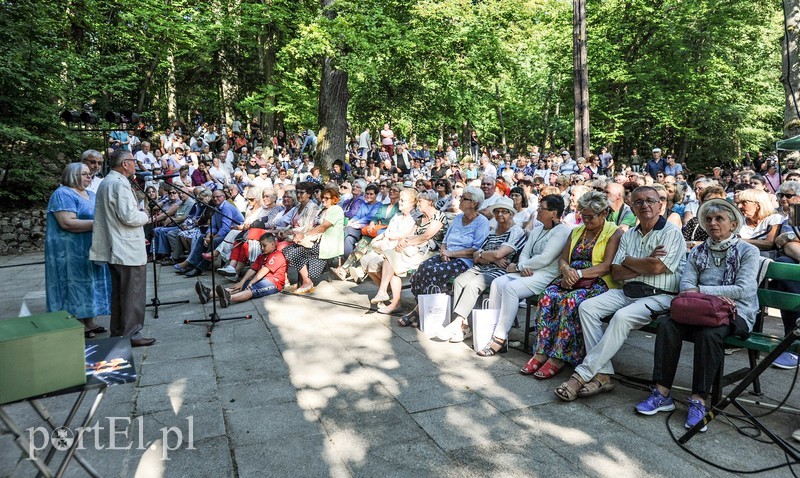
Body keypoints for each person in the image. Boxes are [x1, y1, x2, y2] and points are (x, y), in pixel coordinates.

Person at [634, 199, 759, 432]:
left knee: (709, 334)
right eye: (709, 219)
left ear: (733, 224)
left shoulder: (748, 251)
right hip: (698, 309)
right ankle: (662, 393)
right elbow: (686, 284)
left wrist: (702, 291)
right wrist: (710, 295)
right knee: (667, 324)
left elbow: (745, 290)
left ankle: (699, 400)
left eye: (719, 219)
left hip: (736, 311)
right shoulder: (699, 251)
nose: (712, 223)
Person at [554, 186, 685, 401]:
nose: (645, 205)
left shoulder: (671, 233)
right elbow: (616, 271)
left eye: (650, 201)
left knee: (621, 317)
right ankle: (603, 374)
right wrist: (644, 262)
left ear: (660, 205)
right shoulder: (629, 234)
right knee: (587, 307)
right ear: (631, 207)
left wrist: (630, 261)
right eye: (639, 202)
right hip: (628, 291)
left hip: (660, 295)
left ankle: (581, 376)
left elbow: (656, 268)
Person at [520, 192, 623, 378]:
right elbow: (563, 259)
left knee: (571, 301)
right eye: (583, 215)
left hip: (597, 280)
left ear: (604, 213)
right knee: (547, 296)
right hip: (571, 278)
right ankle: (542, 351)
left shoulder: (614, 232)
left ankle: (559, 356)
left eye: (591, 216)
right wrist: (567, 271)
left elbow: (607, 266)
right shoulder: (576, 231)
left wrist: (578, 274)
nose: (586, 220)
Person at [479, 195, 571, 356]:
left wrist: (520, 267)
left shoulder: (562, 231)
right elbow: (525, 252)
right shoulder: (537, 229)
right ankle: (492, 330)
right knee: (497, 283)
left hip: (547, 274)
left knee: (511, 288)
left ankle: (499, 338)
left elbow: (545, 259)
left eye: (542, 208)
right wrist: (522, 266)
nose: (538, 211)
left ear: (554, 212)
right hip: (527, 271)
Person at [437, 197, 528, 344]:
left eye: (504, 212)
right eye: (497, 211)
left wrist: (487, 256)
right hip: (482, 266)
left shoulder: (516, 231)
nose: (500, 215)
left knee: (474, 284)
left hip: (501, 271)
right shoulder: (493, 231)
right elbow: (476, 255)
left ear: (511, 214)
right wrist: (488, 256)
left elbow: (499, 255)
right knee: (459, 281)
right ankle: (464, 327)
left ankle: (456, 323)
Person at [90, 149, 155, 347]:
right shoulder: (119, 184)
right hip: (126, 248)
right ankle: (132, 334)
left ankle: (118, 331)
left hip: (114, 247)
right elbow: (129, 217)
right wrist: (145, 215)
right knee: (133, 294)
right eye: (133, 161)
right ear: (125, 163)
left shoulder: (106, 182)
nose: (136, 164)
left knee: (119, 294)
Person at [400, 187, 490, 326]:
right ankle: (423, 309)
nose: (459, 200)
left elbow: (476, 249)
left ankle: (418, 312)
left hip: (464, 260)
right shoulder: (458, 217)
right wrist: (443, 251)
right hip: (447, 255)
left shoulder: (482, 222)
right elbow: (445, 241)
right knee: (424, 267)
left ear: (474, 203)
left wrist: (451, 253)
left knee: (435, 272)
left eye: (463, 198)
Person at [46, 162, 111, 338]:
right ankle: (76, 323)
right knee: (73, 284)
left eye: (90, 174)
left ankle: (89, 321)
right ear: (72, 175)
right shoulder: (63, 193)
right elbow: (67, 222)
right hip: (69, 249)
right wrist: (100, 224)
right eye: (84, 174)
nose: (89, 176)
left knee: (89, 283)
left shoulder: (90, 194)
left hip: (89, 247)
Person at [371, 191, 445, 314]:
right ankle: (391, 299)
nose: (418, 203)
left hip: (430, 252)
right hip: (414, 250)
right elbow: (410, 235)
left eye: (420, 201)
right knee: (390, 258)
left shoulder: (438, 215)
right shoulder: (420, 218)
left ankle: (387, 296)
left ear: (430, 202)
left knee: (391, 260)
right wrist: (402, 243)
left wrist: (407, 243)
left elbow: (426, 236)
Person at [195, 233, 287, 307]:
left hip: (274, 283)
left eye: (264, 246)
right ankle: (208, 294)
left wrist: (251, 282)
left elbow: (264, 271)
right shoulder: (261, 256)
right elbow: (252, 269)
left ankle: (229, 298)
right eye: (261, 246)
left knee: (251, 290)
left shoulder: (277, 255)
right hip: (260, 280)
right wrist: (242, 282)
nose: (262, 248)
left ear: (272, 244)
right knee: (238, 287)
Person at [283, 186, 344, 294]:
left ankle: (306, 282)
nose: (323, 200)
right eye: (322, 197)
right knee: (288, 250)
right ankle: (300, 281)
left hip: (326, 244)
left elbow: (323, 227)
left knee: (295, 252)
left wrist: (304, 235)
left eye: (327, 198)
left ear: (334, 199)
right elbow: (313, 226)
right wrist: (300, 234)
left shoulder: (336, 209)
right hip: (317, 240)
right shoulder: (323, 210)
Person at [771, 180, 800, 369]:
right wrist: (790, 239)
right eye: (781, 195)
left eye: (788, 195)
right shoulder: (789, 218)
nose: (783, 198)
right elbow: (788, 247)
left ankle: (793, 347)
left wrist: (789, 239)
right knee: (784, 265)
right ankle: (793, 345)